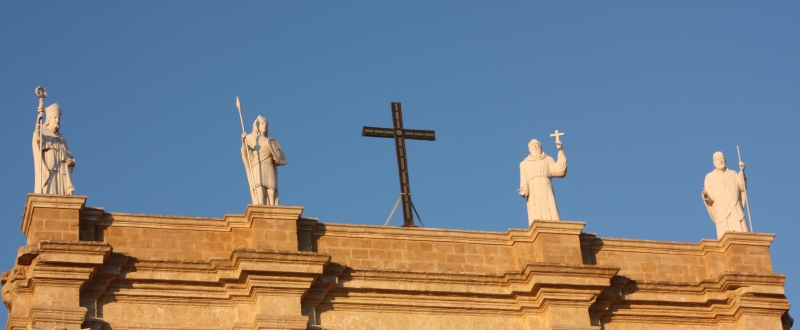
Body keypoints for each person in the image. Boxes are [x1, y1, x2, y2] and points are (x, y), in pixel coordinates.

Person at [518, 138, 567, 224]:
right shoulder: (524, 164)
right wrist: (523, 189)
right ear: (529, 148)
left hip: (546, 186)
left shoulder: (547, 159)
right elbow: (523, 179)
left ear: (540, 146)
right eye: (532, 144)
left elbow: (560, 171)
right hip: (533, 189)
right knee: (535, 210)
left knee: (549, 206)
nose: (535, 146)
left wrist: (560, 150)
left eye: (537, 144)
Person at [702, 151, 748, 239]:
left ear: (725, 161)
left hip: (735, 209)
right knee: (725, 239)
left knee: (743, 236)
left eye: (722, 158)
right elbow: (710, 200)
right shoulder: (710, 177)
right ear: (714, 163)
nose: (720, 161)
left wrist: (742, 172)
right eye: (718, 159)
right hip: (721, 212)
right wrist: (706, 197)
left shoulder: (733, 174)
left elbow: (742, 188)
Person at [33, 103, 75, 195]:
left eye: (59, 119)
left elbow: (69, 155)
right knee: (49, 189)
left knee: (61, 191)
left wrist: (70, 160)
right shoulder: (43, 131)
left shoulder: (61, 138)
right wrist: (39, 120)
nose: (57, 120)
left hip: (61, 170)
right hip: (49, 168)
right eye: (55, 118)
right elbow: (38, 138)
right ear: (49, 119)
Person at [241, 116, 285, 205]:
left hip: (269, 165)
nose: (264, 126)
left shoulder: (269, 141)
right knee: (260, 187)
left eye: (266, 124)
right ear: (257, 125)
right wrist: (243, 140)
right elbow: (246, 151)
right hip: (258, 164)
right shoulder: (251, 137)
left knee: (271, 189)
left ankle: (272, 205)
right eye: (262, 124)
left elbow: (276, 158)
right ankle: (260, 204)